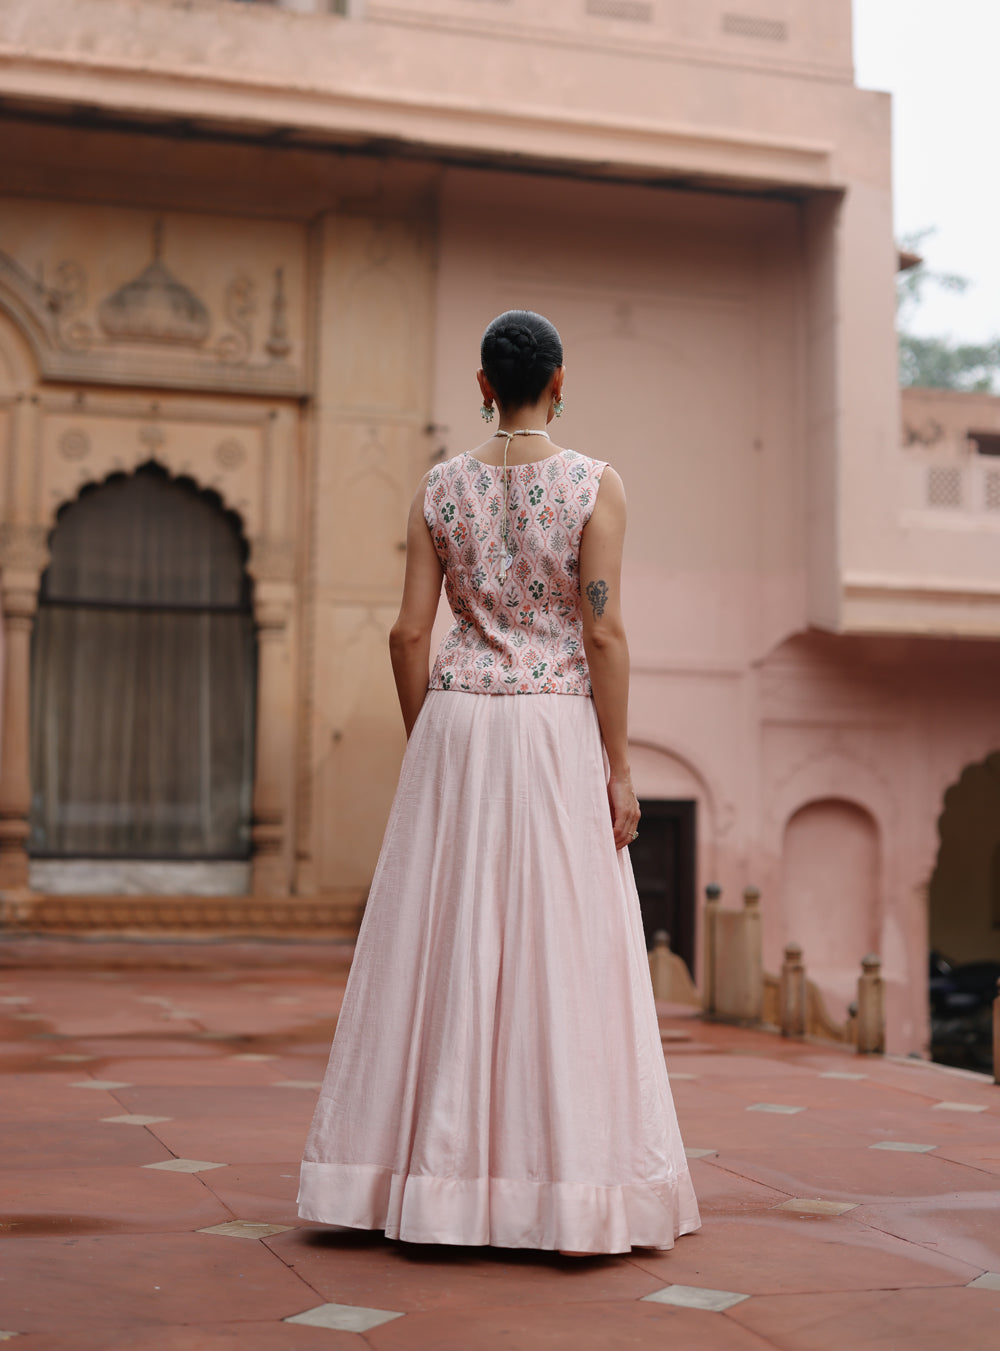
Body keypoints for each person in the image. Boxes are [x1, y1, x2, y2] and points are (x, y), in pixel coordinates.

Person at [298, 309, 700, 1255]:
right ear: (560, 381)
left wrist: (429, 735)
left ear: (484, 384)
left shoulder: (439, 489)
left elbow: (406, 634)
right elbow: (600, 629)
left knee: (443, 941)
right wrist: (622, 765)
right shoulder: (594, 485)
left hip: (459, 723)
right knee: (560, 943)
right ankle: (563, 1193)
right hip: (557, 728)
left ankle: (413, 1184)